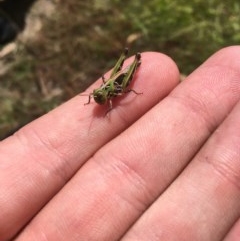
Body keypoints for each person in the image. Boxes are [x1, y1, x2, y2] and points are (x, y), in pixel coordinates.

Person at [0, 46, 240, 241]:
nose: (97, 100)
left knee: (125, 84)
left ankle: (133, 61)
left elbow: (117, 92)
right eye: (96, 98)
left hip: (121, 82)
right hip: (112, 82)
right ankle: (128, 60)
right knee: (112, 79)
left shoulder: (112, 96)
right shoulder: (101, 95)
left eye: (99, 98)